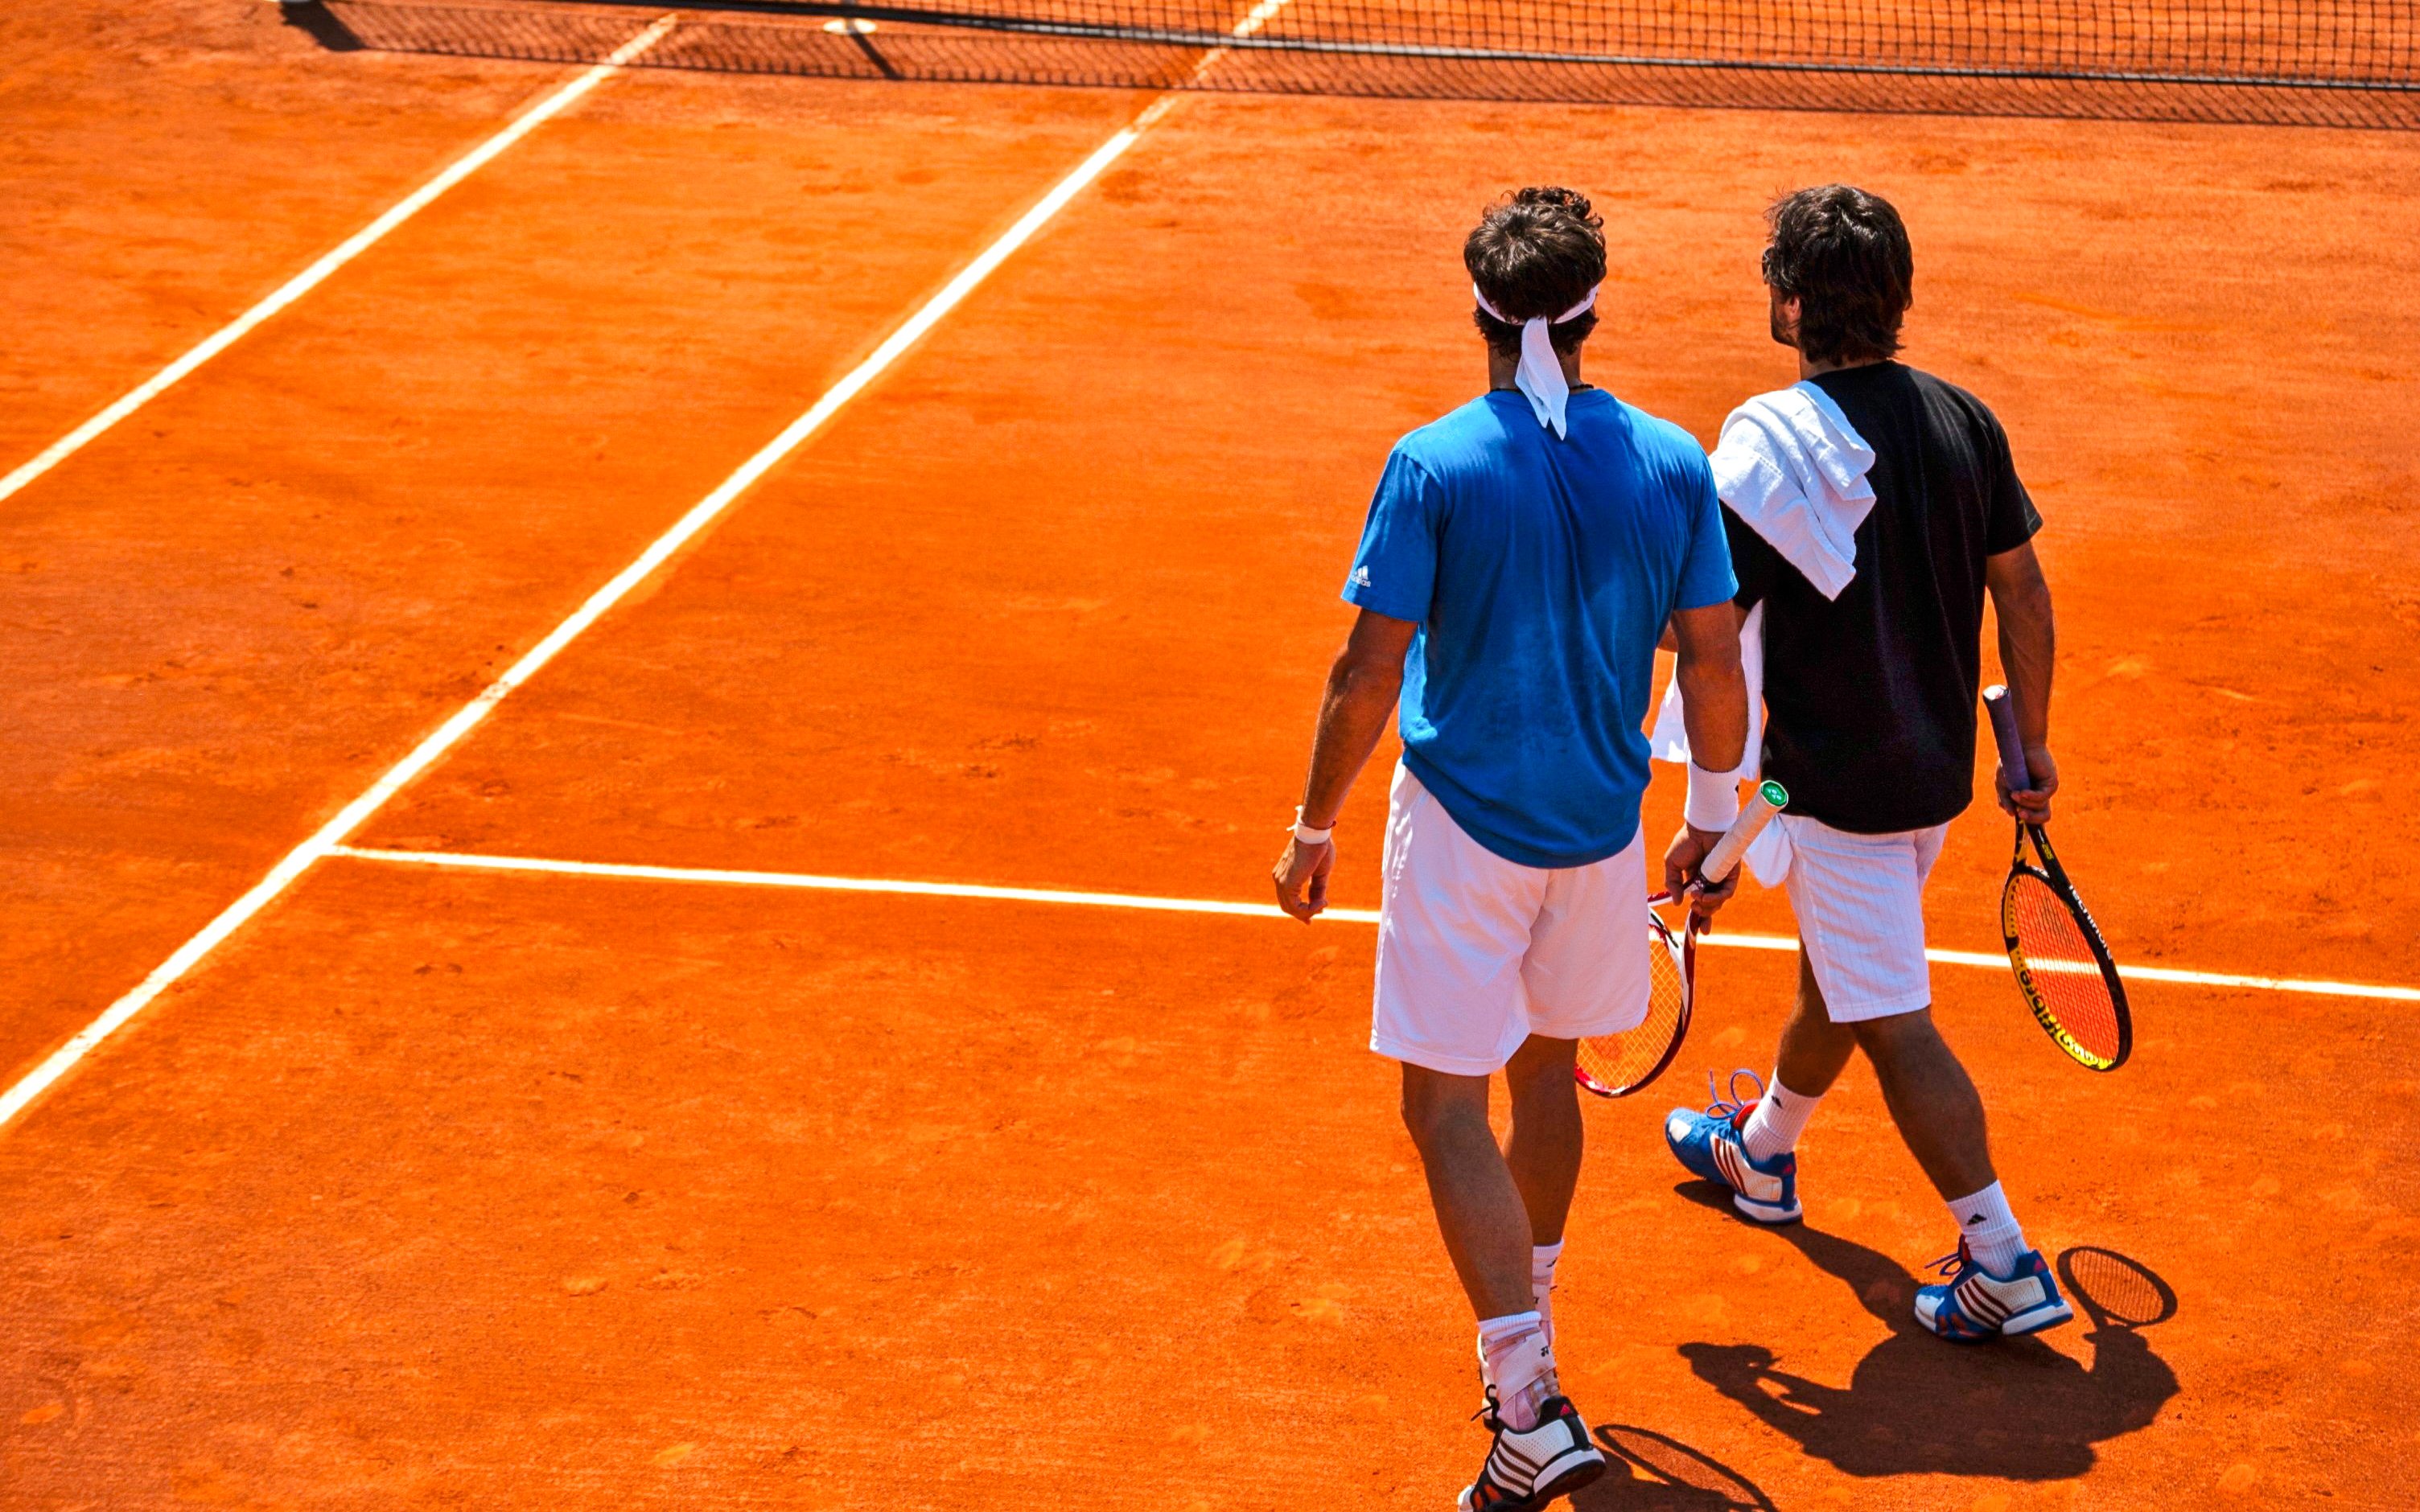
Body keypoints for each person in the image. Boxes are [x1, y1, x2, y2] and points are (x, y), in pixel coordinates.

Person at [1270, 187, 1749, 1510]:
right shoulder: (1670, 460)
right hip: (1604, 837)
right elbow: (1711, 655)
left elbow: (1368, 670)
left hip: (1467, 833)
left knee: (1440, 1110)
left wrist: (1314, 826)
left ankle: (1529, 1403)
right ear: (1592, 312)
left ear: (1478, 311)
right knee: (1544, 1086)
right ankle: (1527, 1338)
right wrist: (1712, 813)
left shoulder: (1432, 463)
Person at [1661, 184, 2073, 1341]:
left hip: (1840, 791)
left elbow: (1701, 637)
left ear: (1790, 306)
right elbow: (2022, 590)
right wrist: (2030, 742)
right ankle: (1764, 1156)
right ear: (1897, 299)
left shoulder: (1763, 446)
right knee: (1840, 975)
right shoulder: (1963, 420)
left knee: (1891, 1012)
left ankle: (2002, 1259)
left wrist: (1705, 811)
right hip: (1935, 772)